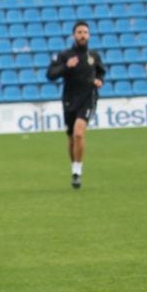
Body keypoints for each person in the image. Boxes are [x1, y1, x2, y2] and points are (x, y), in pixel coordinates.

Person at [46, 21, 106, 189]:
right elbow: (50, 74)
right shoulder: (65, 55)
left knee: (79, 133)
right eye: (79, 32)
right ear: (74, 35)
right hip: (69, 99)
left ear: (89, 35)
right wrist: (66, 66)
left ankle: (77, 171)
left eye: (85, 32)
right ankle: (74, 167)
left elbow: (101, 71)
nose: (82, 35)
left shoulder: (94, 56)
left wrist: (99, 80)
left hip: (88, 97)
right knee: (71, 137)